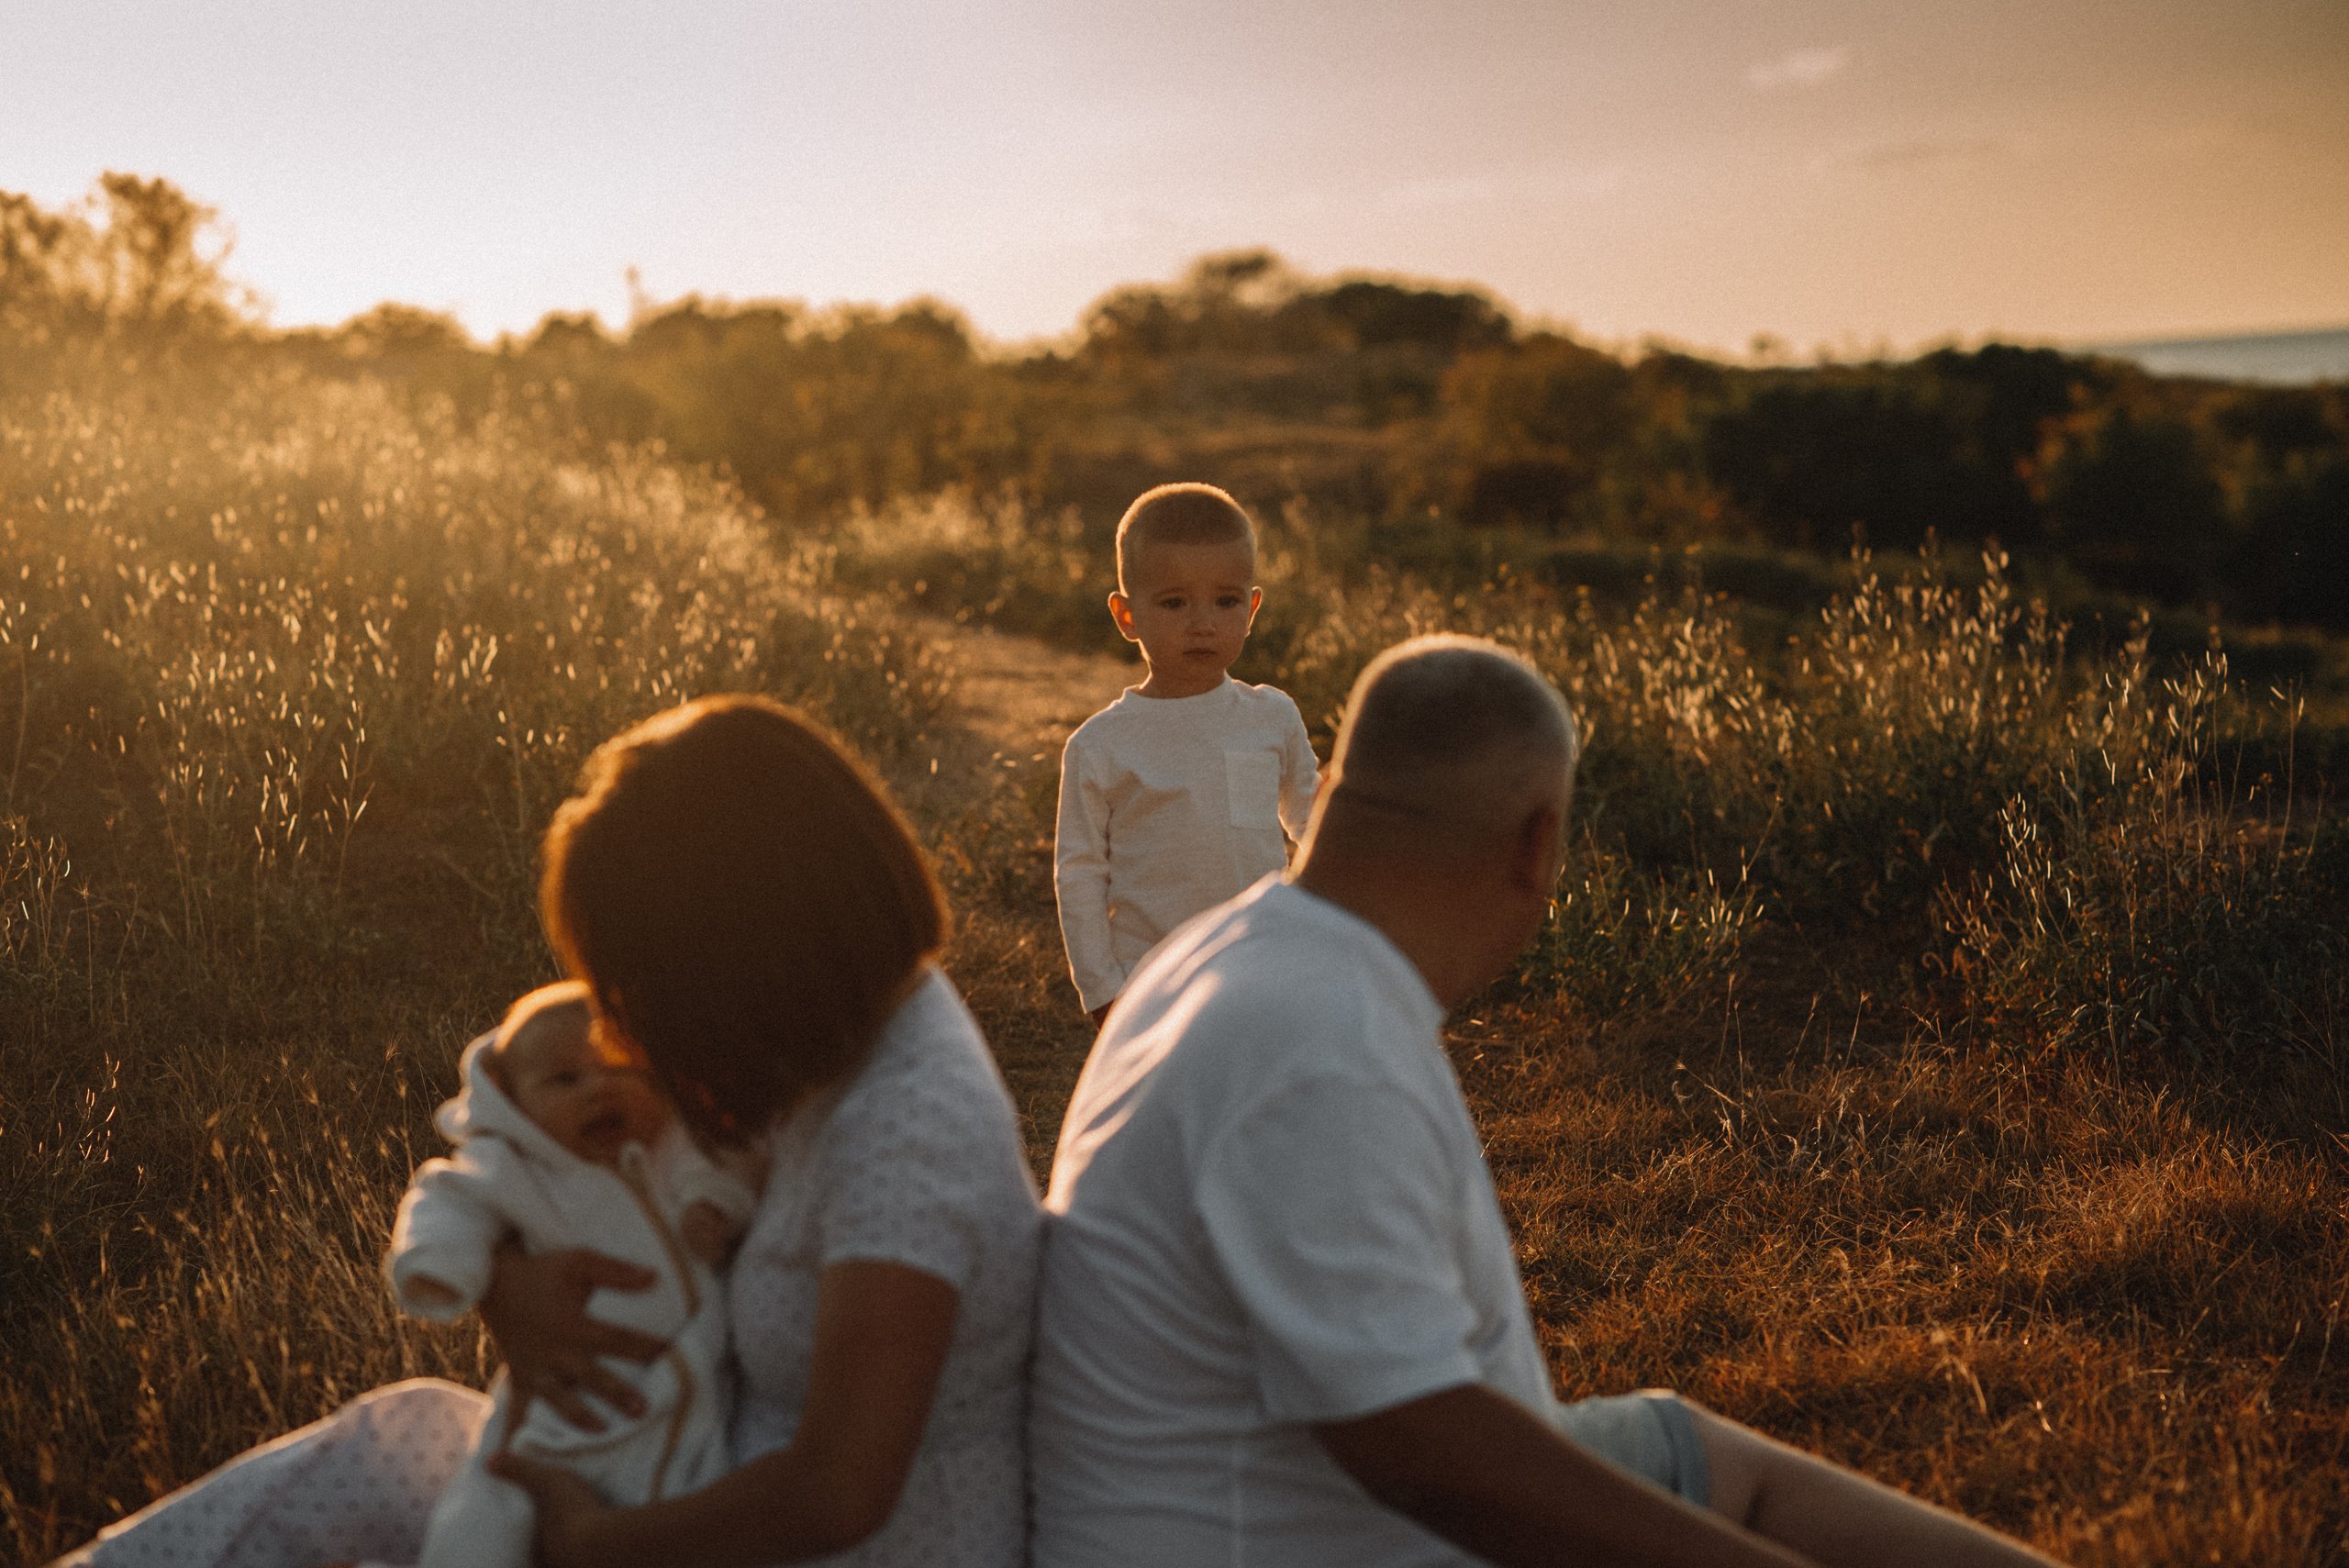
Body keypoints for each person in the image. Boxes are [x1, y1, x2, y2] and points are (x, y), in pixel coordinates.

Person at [1029, 635, 2066, 1568]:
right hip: (1301, 1535)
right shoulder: (1321, 1048)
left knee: (1695, 1452)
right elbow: (1426, 1458)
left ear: (1337, 786)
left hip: (1264, 1489)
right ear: (1538, 842)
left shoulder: (1234, 951)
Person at [61, 695, 1042, 1568]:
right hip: (680, 1466)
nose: (630, 1028)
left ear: (751, 941)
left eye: (647, 986)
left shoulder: (908, 1134)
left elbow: (835, 1494)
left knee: (418, 1473)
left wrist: (589, 1542)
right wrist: (503, 1283)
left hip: (768, 1538)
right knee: (386, 1444)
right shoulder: (837, 1018)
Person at [385, 981, 760, 1568]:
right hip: (559, 1409)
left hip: (685, 1394)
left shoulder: (674, 1146)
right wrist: (439, 1265)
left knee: (682, 1508)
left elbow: (726, 1167)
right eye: (566, 1080)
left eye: (624, 1069)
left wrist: (713, 1208)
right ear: (516, 1104)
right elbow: (447, 1199)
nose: (601, 1086)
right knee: (490, 1512)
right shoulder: (513, 1167)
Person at [1052, 481, 1319, 1026]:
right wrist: (1103, 989)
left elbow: (1313, 822)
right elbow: (1078, 872)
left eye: (1226, 601)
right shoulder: (1100, 745)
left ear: (1252, 607)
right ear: (1127, 617)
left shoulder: (1271, 716)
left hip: (1262, 966)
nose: (1203, 622)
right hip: (1151, 982)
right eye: (1174, 603)